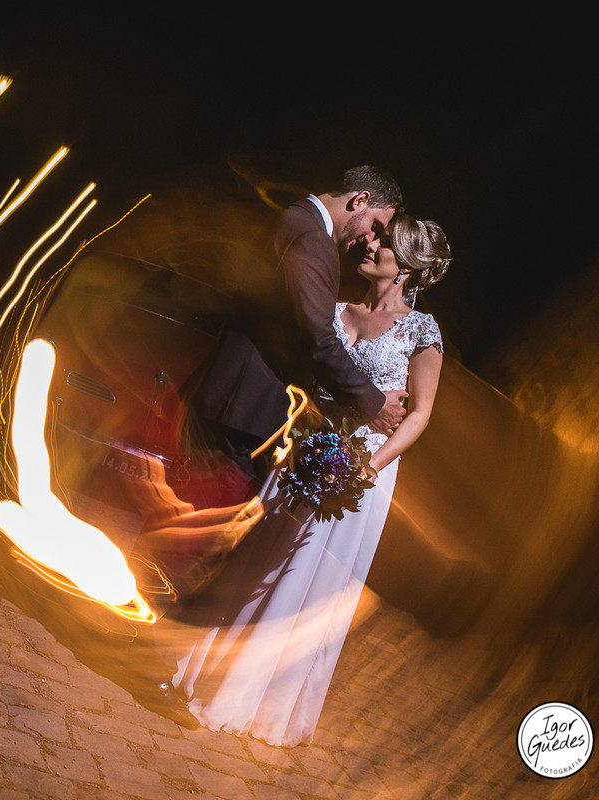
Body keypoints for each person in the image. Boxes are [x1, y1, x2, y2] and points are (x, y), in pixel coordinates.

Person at [169, 213, 452, 745]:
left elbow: (419, 416)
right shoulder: (340, 310)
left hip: (358, 469)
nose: (369, 244)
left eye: (385, 243)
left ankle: (247, 695)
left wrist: (365, 468)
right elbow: (314, 376)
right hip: (303, 449)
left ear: (409, 267)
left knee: (299, 576)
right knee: (256, 557)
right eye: (374, 236)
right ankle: (202, 669)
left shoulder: (422, 332)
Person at [194, 166, 409, 478]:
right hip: (246, 413)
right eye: (376, 225)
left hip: (236, 404)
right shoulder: (311, 237)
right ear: (359, 199)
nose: (371, 239)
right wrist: (373, 404)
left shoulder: (295, 218)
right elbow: (318, 337)